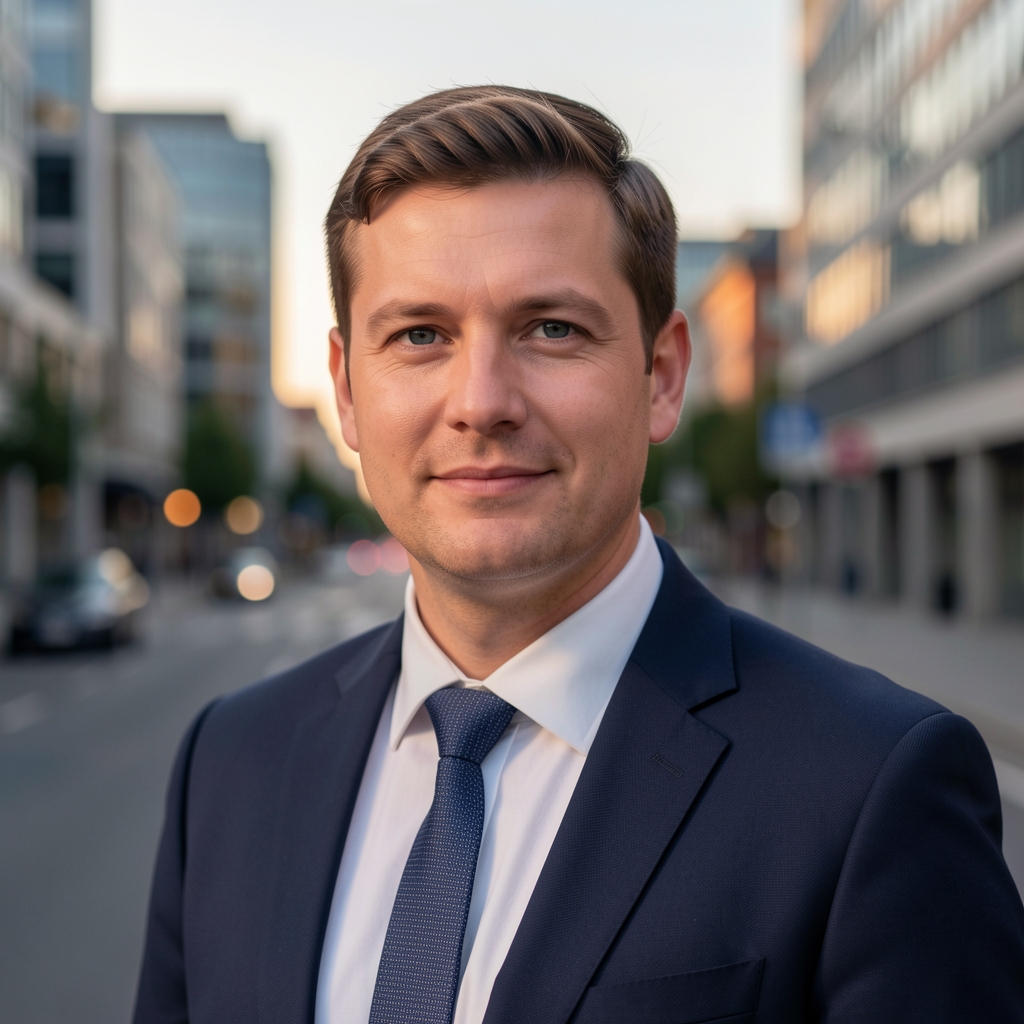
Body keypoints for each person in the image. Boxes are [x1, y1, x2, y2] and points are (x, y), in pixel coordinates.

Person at [133, 87, 1024, 1024]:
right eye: (419, 336)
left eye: (551, 328)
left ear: (662, 377)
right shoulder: (230, 760)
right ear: (348, 393)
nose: (482, 400)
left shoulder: (869, 783)